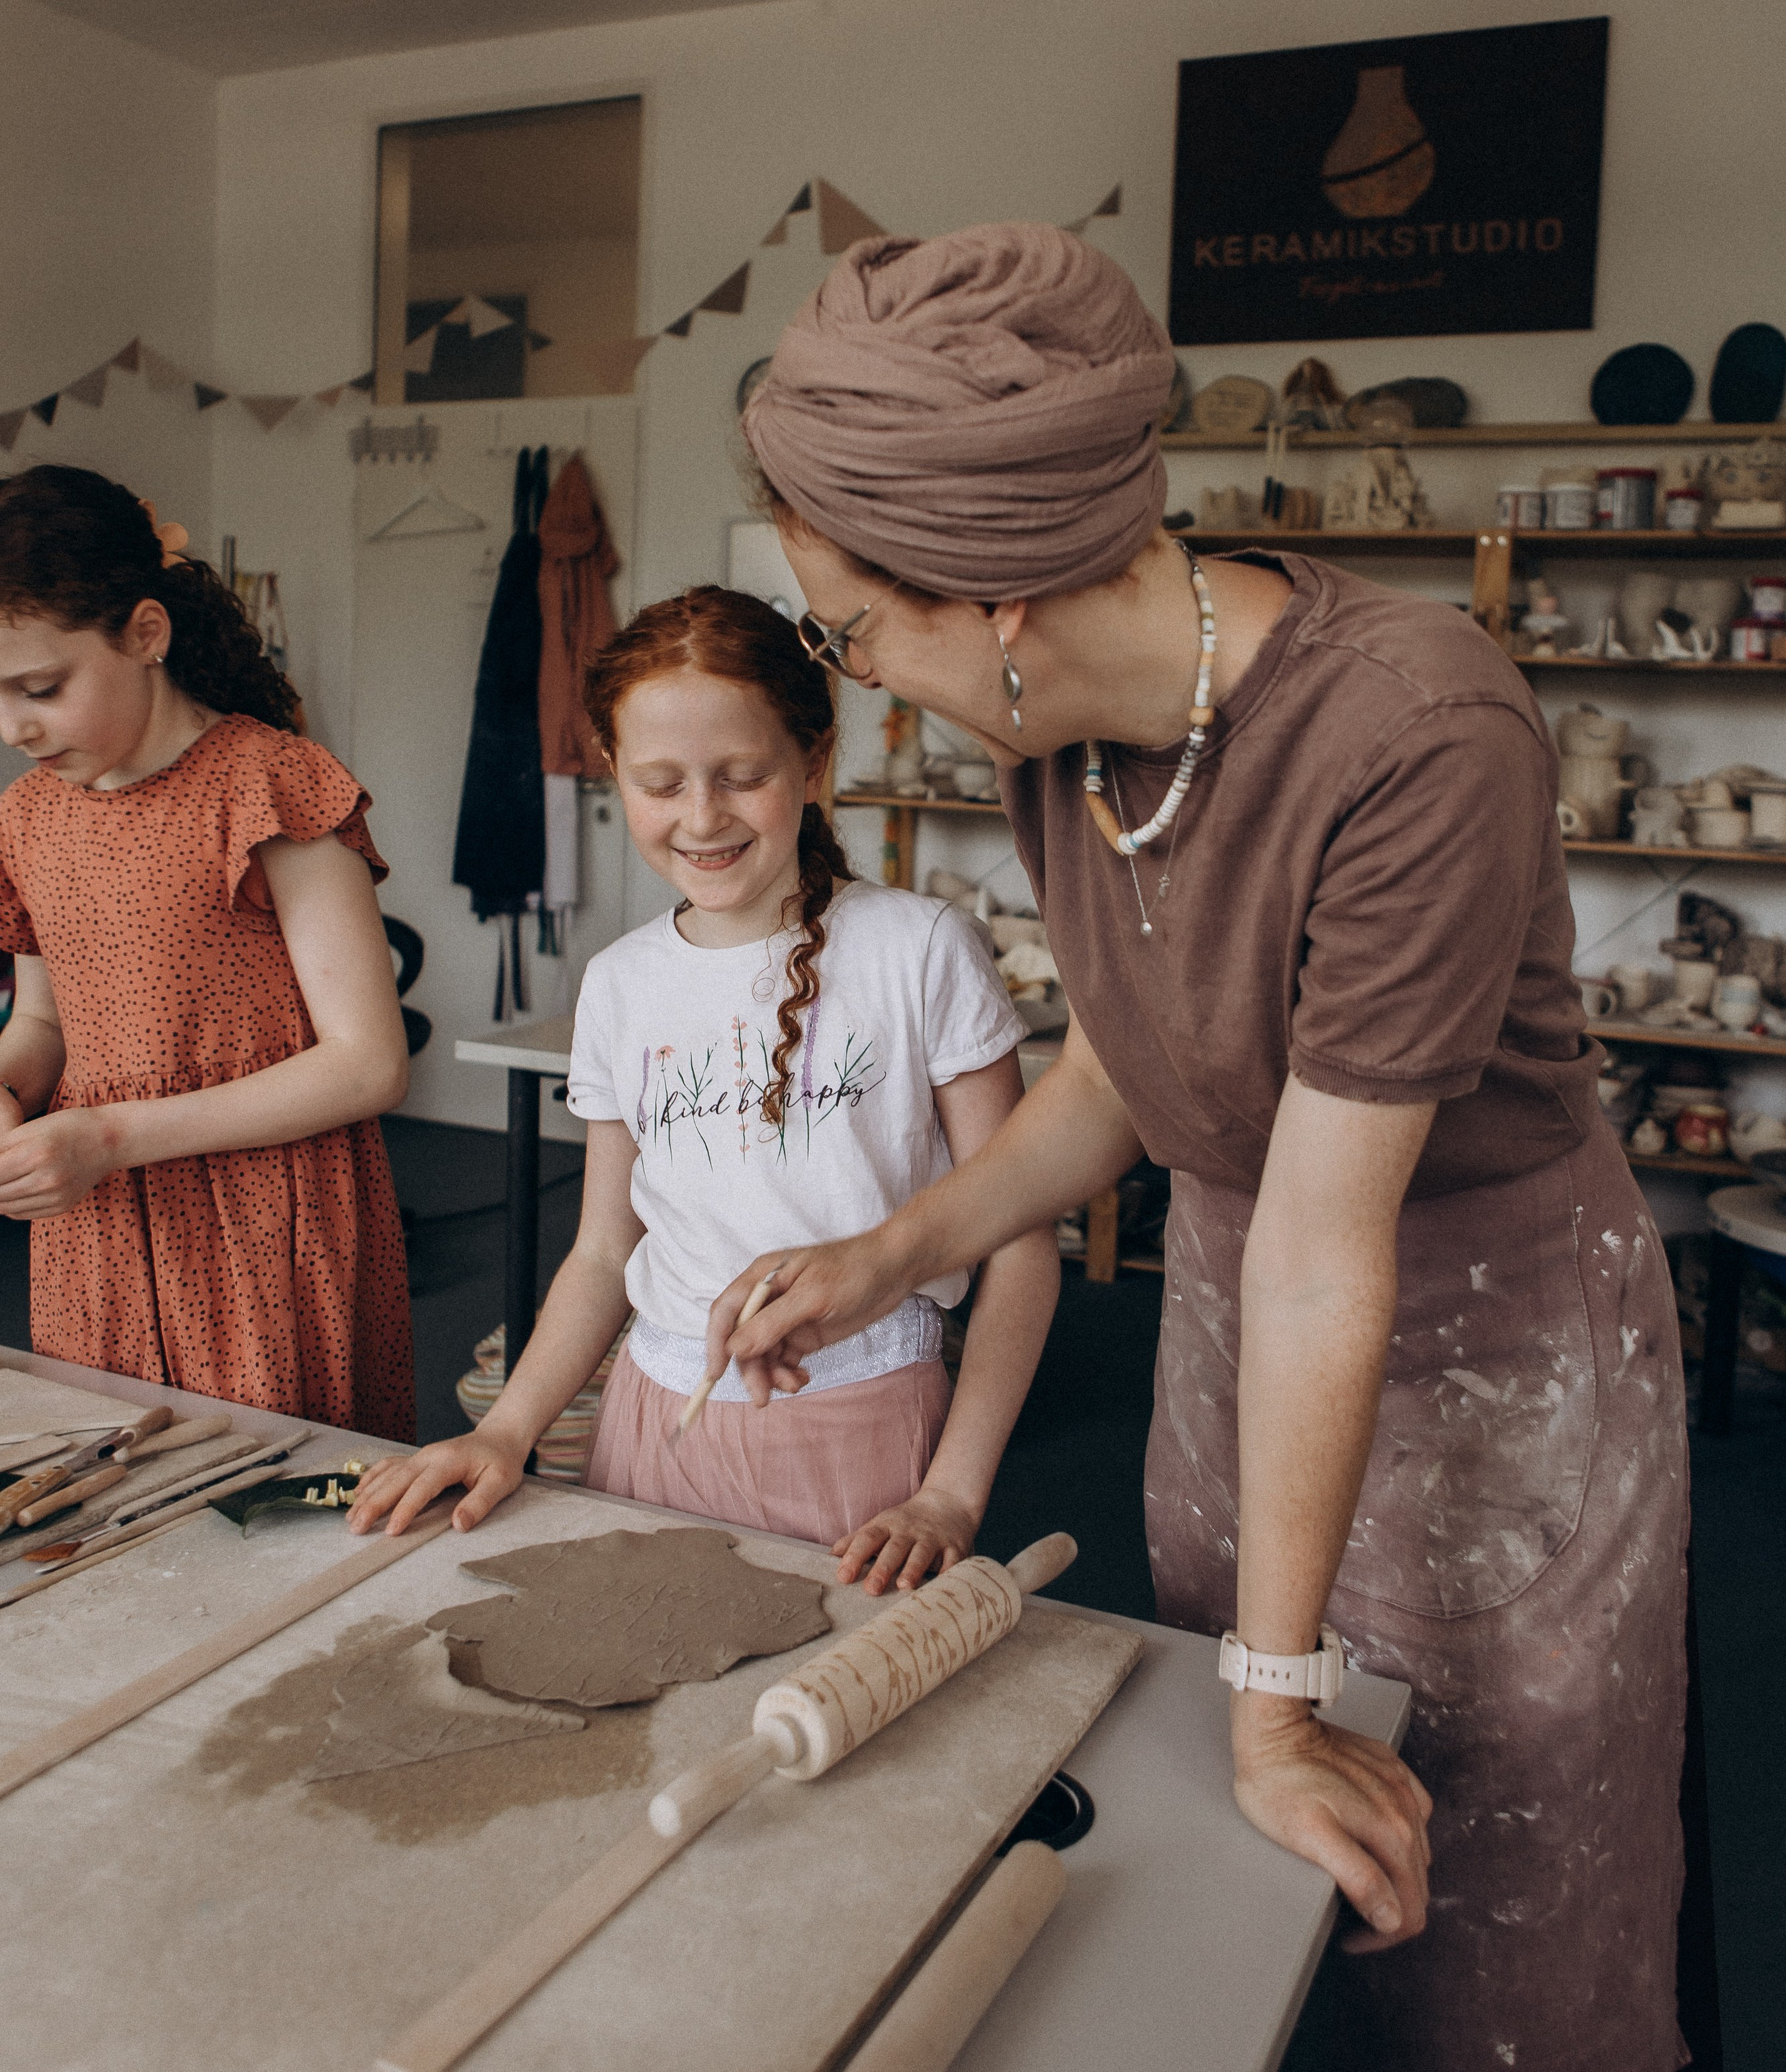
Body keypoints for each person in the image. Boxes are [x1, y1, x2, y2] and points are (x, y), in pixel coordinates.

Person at [698, 225, 1688, 2072]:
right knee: (1259, 1843)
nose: (845, 661)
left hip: (1482, 1338)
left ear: (1000, 596)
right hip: (1262, 1312)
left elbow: (1346, 1234)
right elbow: (1124, 1081)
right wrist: (891, 1245)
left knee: (1481, 1873)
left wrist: (1275, 1701)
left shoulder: (1421, 726)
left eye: (854, 622)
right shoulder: (1055, 735)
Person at [350, 585, 1057, 1591]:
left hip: (865, 1432)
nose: (702, 817)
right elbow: (602, 1252)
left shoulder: (921, 949)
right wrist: (508, 1431)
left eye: (740, 776)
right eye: (662, 783)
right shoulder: (621, 984)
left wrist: (950, 1493)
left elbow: (1021, 1243)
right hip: (653, 1427)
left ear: (813, 764)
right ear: (615, 776)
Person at [0, 467, 414, 1439]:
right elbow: (43, 1025)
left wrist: (110, 1137)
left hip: (267, 1223)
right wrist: (9, 1092)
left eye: (41, 689)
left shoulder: (267, 786)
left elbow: (370, 1063)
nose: (14, 729)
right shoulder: (22, 820)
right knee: (115, 1499)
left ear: (146, 635)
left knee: (280, 1511)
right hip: (98, 1232)